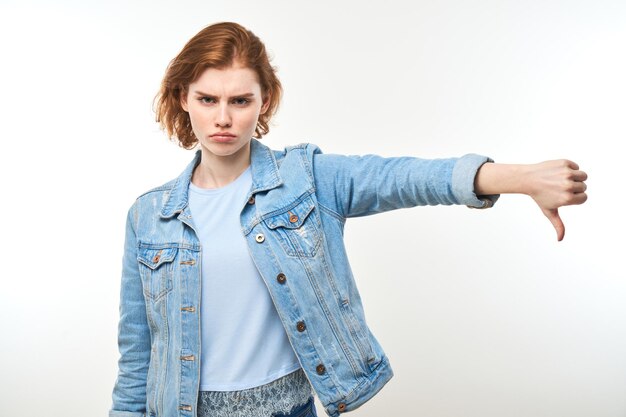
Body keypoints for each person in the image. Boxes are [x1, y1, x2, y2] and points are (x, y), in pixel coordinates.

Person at [109, 21, 588, 417]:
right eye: (208, 99)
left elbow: (404, 178)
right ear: (183, 99)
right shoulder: (149, 216)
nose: (224, 118)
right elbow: (137, 358)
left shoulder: (308, 180)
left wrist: (521, 178)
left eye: (241, 100)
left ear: (264, 102)